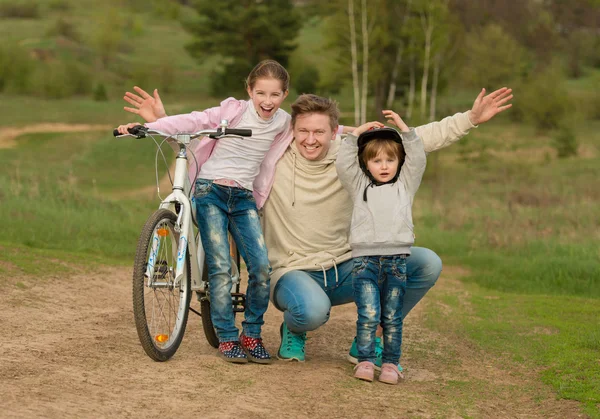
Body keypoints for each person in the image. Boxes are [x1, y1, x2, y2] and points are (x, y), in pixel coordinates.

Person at [121, 85, 513, 370]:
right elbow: (218, 151)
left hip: (346, 266)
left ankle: (372, 336)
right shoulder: (272, 161)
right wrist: (162, 124)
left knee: (425, 262)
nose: (310, 140)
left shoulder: (352, 158)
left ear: (336, 133)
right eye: (303, 131)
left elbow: (418, 140)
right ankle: (295, 328)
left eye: (320, 132)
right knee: (310, 312)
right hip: (292, 271)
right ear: (293, 131)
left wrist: (470, 120)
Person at [116, 60, 295, 364]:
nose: (267, 101)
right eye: (261, 92)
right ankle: (226, 337)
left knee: (262, 268)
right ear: (249, 90)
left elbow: (316, 126)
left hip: (243, 198)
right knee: (221, 267)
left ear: (285, 95)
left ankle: (251, 333)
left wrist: (352, 130)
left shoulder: (283, 122)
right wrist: (150, 126)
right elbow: (194, 121)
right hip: (210, 191)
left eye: (275, 95)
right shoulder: (232, 111)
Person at [335, 111, 426, 384]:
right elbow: (343, 165)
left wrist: (405, 130)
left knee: (392, 315)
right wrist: (354, 135)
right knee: (369, 314)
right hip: (365, 260)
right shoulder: (359, 185)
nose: (384, 166)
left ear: (399, 162)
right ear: (366, 163)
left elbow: (418, 159)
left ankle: (390, 364)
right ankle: (365, 361)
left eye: (390, 160)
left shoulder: (405, 186)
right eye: (376, 161)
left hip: (396, 259)